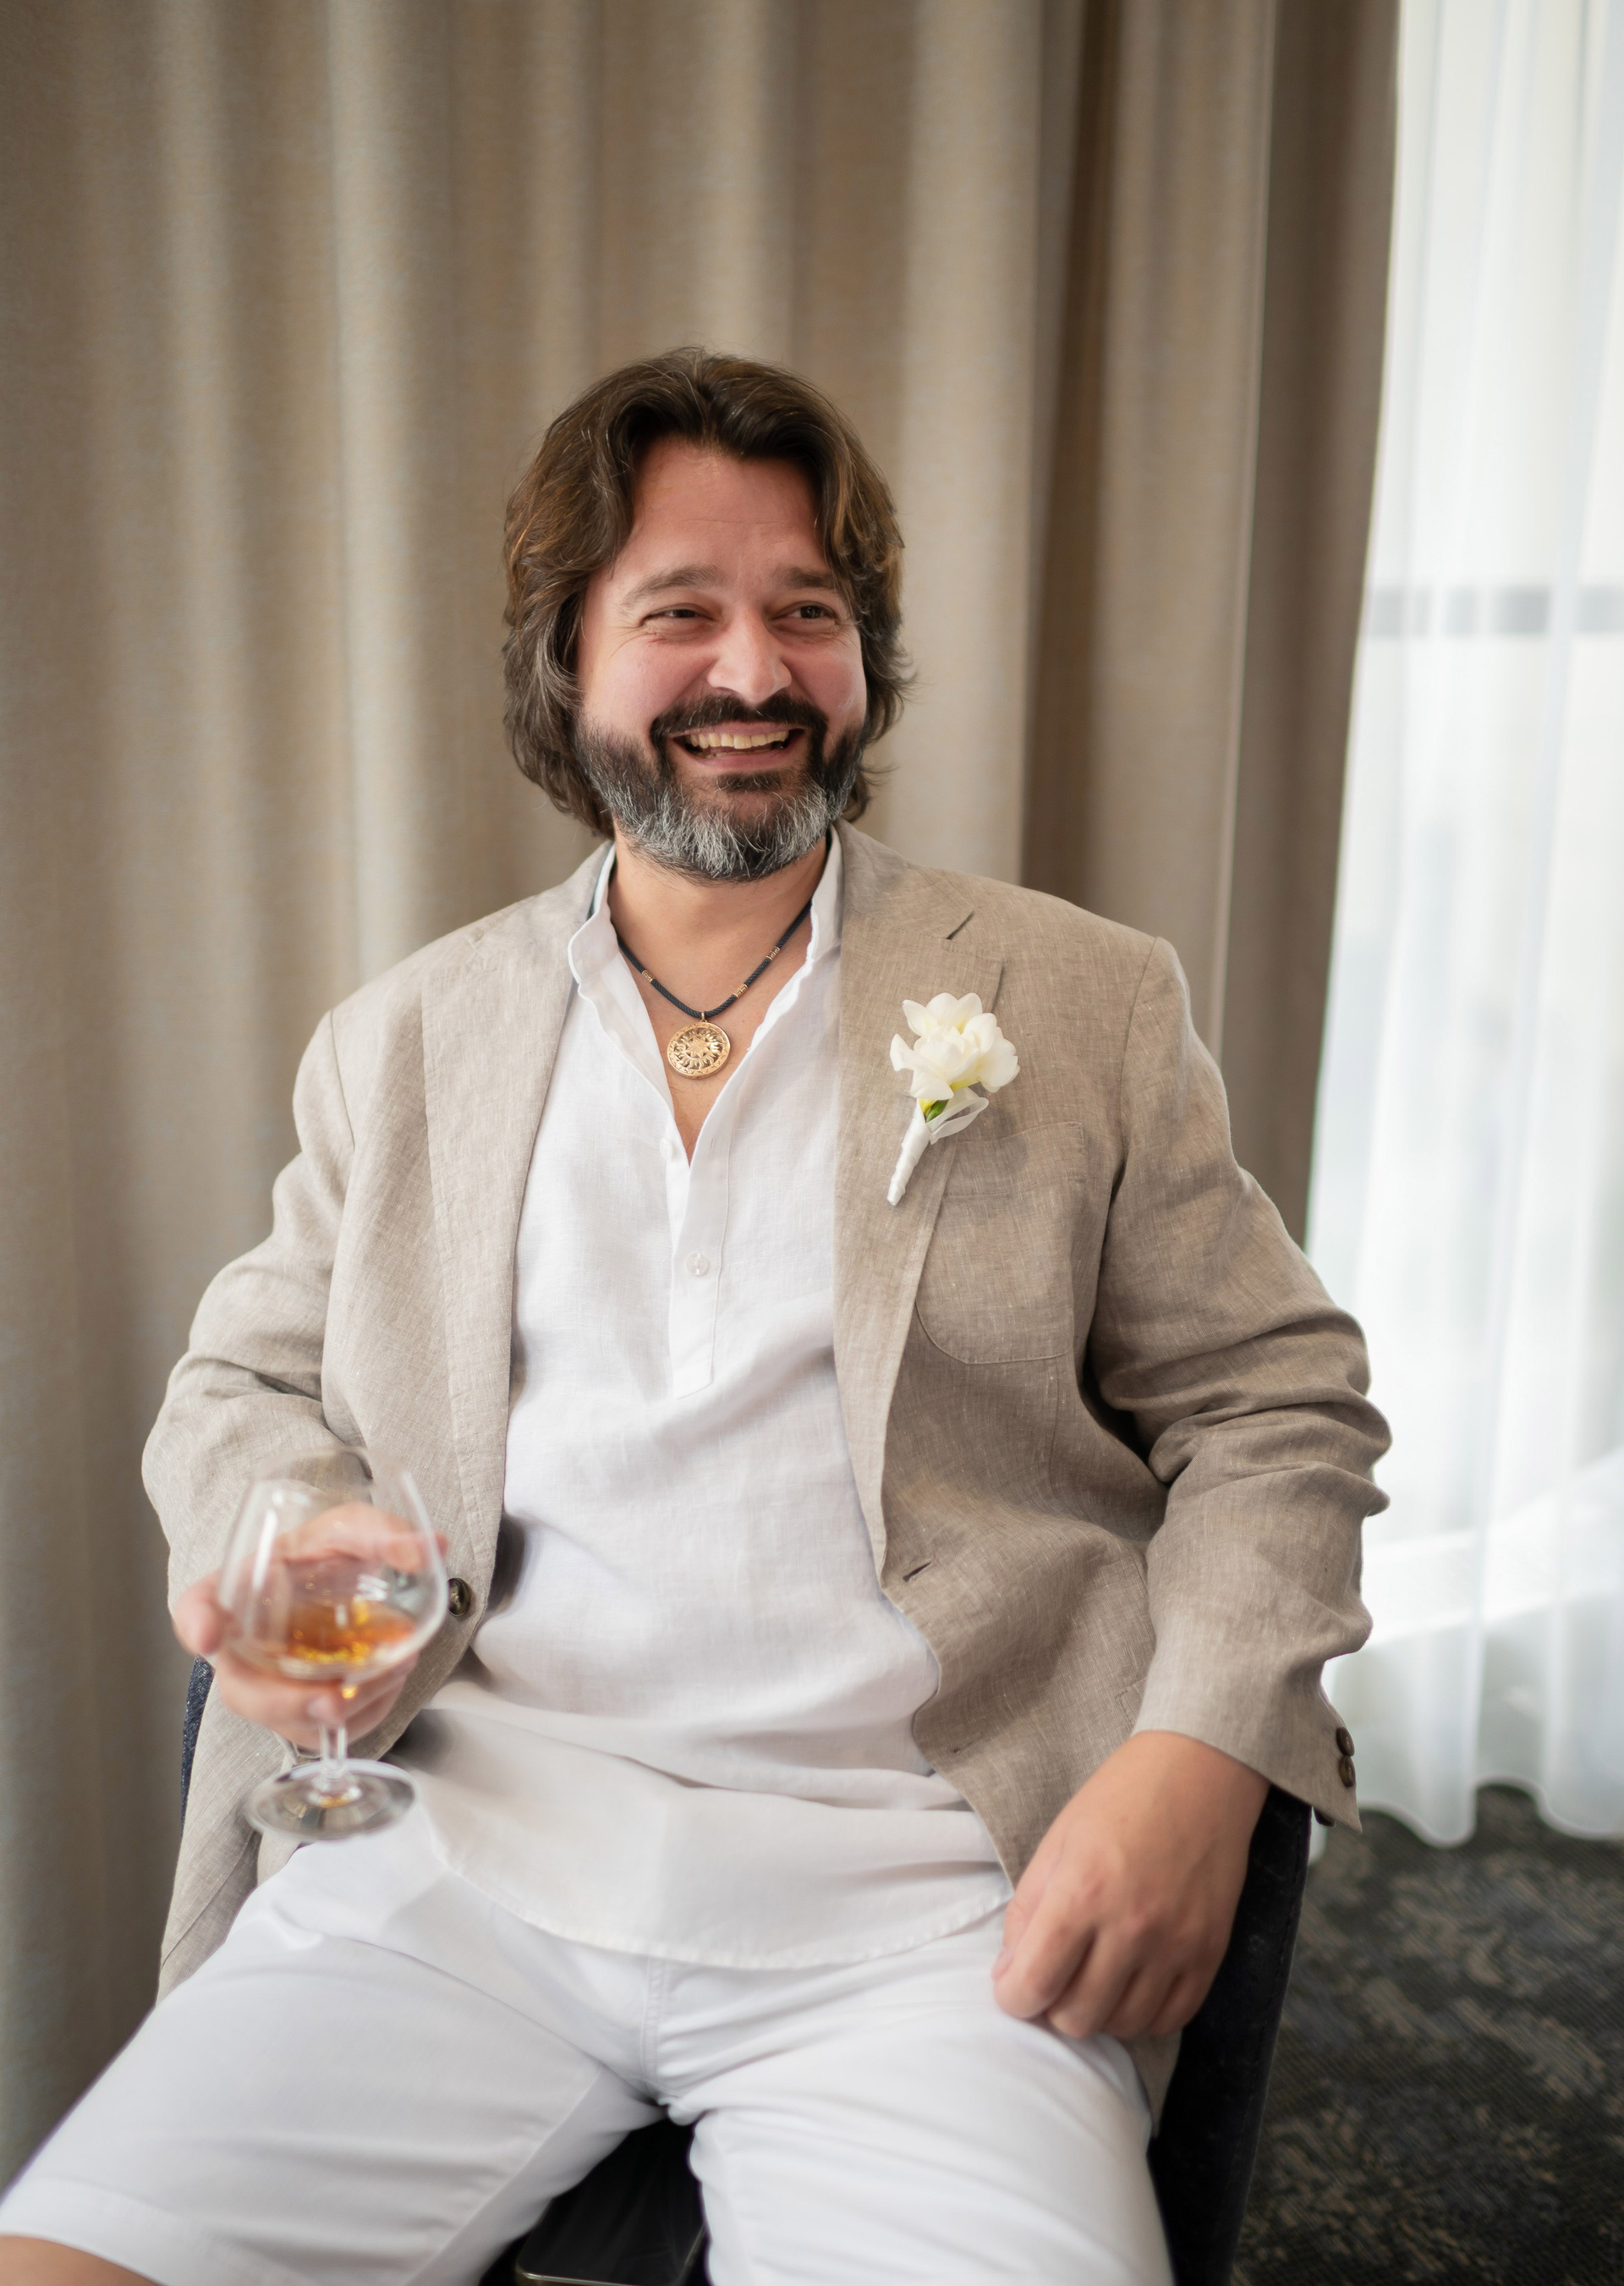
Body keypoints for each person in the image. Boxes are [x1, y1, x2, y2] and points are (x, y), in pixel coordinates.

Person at [0, 349, 1388, 2286]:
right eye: (680, 614)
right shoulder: (404, 1042)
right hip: (458, 1858)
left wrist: (1202, 1753)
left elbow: (1275, 1403)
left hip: (928, 1902)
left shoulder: (1080, 1002)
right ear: (565, 660)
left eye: (807, 611)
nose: (756, 669)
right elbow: (241, 1373)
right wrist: (301, 1523)